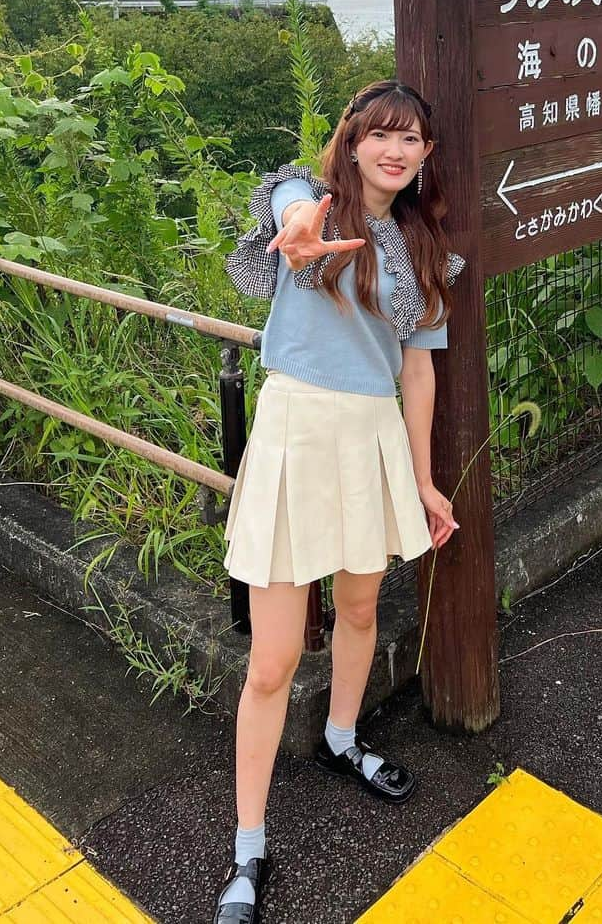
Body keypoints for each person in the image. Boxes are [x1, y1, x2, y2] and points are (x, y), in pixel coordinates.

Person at [212, 79, 465, 924]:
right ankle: (249, 849)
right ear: (352, 141)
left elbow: (419, 368)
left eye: (411, 139)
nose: (394, 149)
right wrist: (295, 222)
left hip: (372, 437)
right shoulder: (310, 204)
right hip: (293, 429)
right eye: (379, 134)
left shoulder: (423, 248)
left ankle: (342, 738)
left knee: (360, 611)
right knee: (274, 659)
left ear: (427, 156)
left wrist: (425, 477)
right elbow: (283, 192)